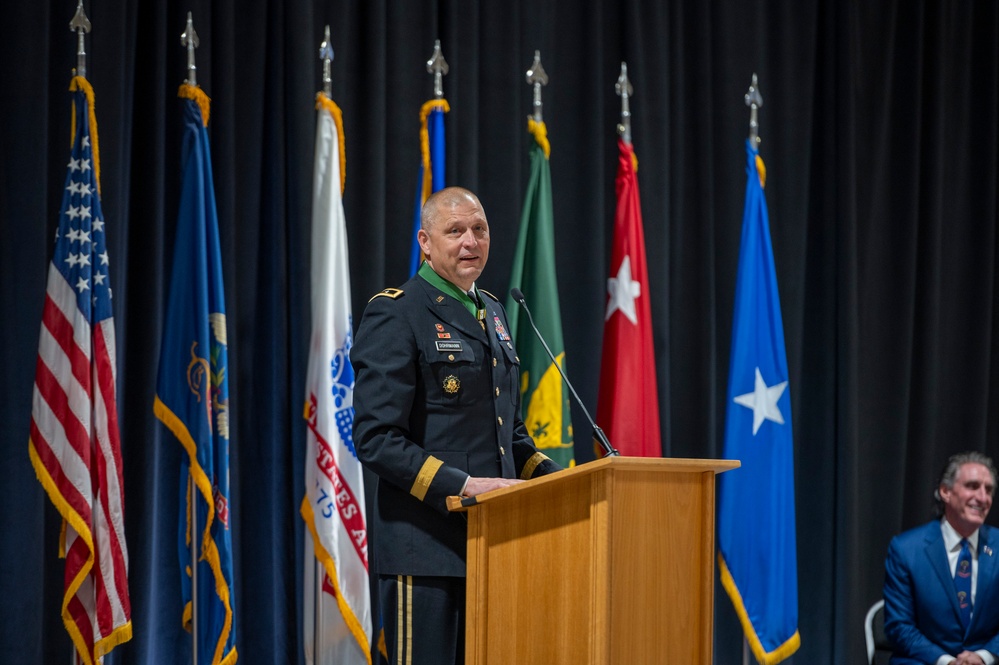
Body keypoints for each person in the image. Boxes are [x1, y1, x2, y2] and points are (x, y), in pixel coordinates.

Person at [351, 186, 562, 664]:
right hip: (424, 551)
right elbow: (376, 438)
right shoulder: (396, 311)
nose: (471, 241)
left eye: (480, 229)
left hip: (495, 546)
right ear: (425, 241)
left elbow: (509, 433)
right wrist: (462, 485)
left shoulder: (496, 311)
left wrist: (557, 481)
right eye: (456, 231)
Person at [884, 451, 999, 665]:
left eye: (989, 490)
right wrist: (946, 661)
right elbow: (899, 626)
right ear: (945, 492)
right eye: (972, 486)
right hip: (925, 660)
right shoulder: (907, 549)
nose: (983, 498)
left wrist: (984, 657)